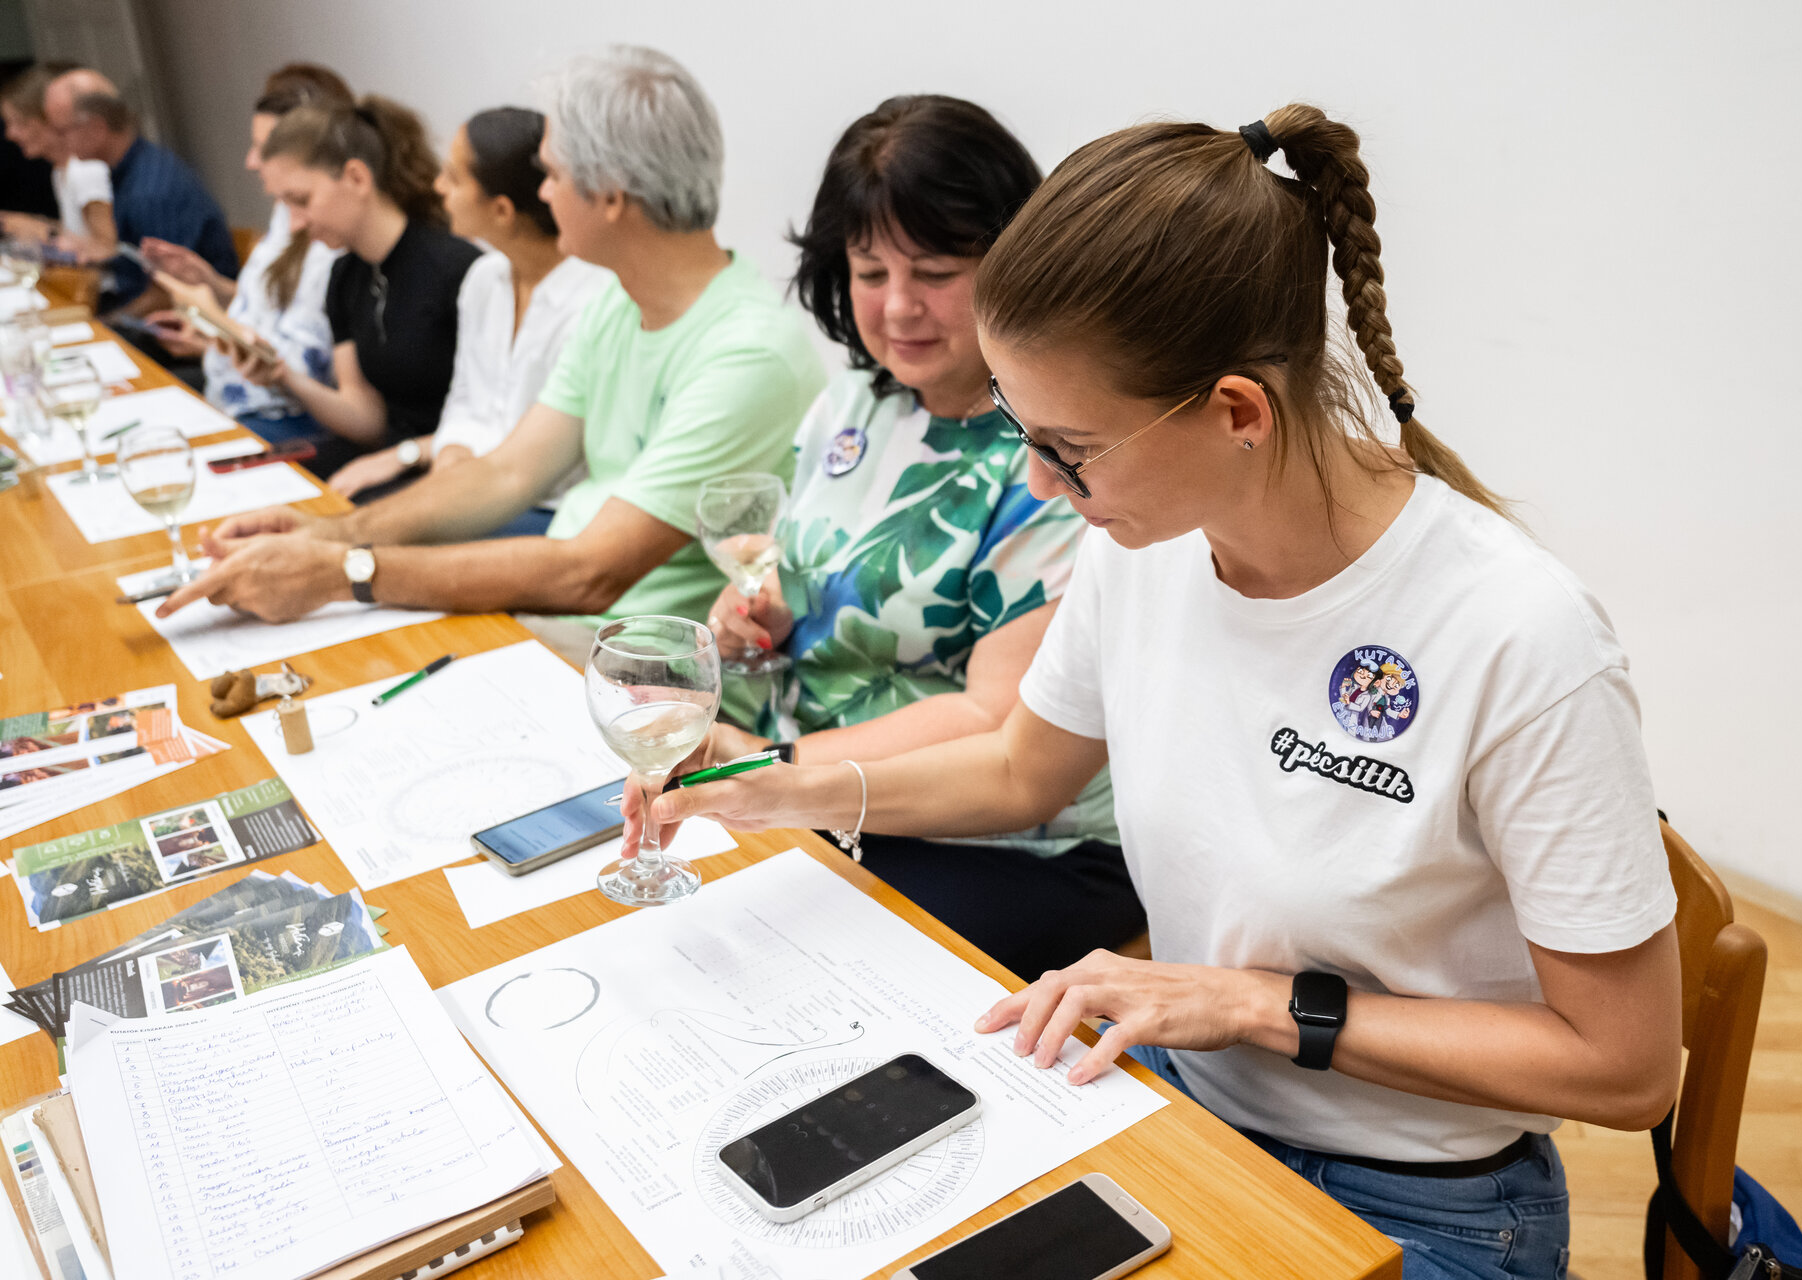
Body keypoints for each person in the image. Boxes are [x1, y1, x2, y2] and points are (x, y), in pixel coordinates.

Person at [647, 105, 1683, 1280]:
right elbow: (1021, 768)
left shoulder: (1518, 636)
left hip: (1425, 1202)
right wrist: (779, 785)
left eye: (1070, 448)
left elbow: (1626, 1066)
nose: (1040, 481)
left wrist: (1252, 1004)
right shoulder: (1141, 549)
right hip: (1184, 1112)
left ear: (1238, 411)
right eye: (1019, 426)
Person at [157, 46, 824, 656]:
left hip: (637, 663)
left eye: (553, 174)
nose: (541, 193)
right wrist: (325, 534)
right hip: (572, 627)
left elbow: (591, 573)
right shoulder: (619, 304)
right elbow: (506, 473)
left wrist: (342, 571)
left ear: (611, 195)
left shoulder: (746, 355)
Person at [680, 94, 1139, 981]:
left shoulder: (1053, 452)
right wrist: (760, 612)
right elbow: (808, 566)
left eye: (934, 271)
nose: (898, 308)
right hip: (816, 786)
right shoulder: (858, 399)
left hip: (1009, 840)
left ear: (1013, 264)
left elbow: (993, 720)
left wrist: (777, 770)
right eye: (869, 271)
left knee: (785, 970)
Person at [326, 105, 611, 529]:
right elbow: (464, 401)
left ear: (502, 211)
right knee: (343, 514)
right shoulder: (483, 279)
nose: (438, 186)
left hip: (548, 507)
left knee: (365, 538)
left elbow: (553, 463)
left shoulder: (596, 301)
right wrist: (452, 453)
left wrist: (455, 481)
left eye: (454, 178)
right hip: (473, 484)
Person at [213, 94, 481, 478]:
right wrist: (283, 376)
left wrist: (400, 456)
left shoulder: (457, 270)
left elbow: (495, 421)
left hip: (449, 466)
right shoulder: (345, 276)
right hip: (392, 456)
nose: (295, 223)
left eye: (301, 200)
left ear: (357, 178)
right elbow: (367, 419)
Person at [142, 64, 351, 442]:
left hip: (284, 418)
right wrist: (212, 284)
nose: (251, 161)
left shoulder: (328, 235)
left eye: (264, 148)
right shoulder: (285, 214)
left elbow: (303, 367)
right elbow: (272, 308)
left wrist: (212, 322)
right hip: (234, 398)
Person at [43, 68, 236, 314]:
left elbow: (167, 292)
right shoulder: (132, 170)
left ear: (96, 128)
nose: (56, 140)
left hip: (191, 319)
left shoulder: (149, 190)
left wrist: (109, 324)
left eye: (61, 131)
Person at [0, 61, 114, 258]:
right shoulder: (61, 169)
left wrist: (46, 232)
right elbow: (79, 233)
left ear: (49, 118)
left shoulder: (85, 169)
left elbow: (109, 250)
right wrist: (33, 225)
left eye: (21, 122)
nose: (10, 134)